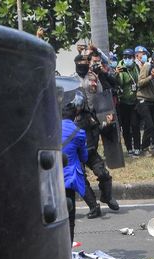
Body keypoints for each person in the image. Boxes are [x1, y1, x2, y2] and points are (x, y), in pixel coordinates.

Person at [74, 51, 120, 218]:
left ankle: (107, 197)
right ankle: (94, 206)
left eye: (86, 61)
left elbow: (102, 98)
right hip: (76, 134)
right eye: (81, 62)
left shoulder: (94, 78)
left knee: (103, 173)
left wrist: (106, 116)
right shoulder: (71, 81)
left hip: (92, 128)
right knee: (79, 176)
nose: (84, 64)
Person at [61, 92, 88, 242]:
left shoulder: (49, 129)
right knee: (69, 219)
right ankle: (68, 253)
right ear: (74, 115)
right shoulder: (79, 132)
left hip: (51, 178)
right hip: (68, 179)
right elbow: (84, 157)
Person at [115, 48, 141, 156]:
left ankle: (137, 147)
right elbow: (119, 83)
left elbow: (139, 80)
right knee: (125, 126)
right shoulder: (120, 68)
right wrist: (116, 74)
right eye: (125, 57)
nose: (127, 59)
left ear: (133, 58)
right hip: (123, 102)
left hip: (134, 101)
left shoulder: (136, 67)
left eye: (129, 57)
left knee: (135, 125)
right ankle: (129, 147)